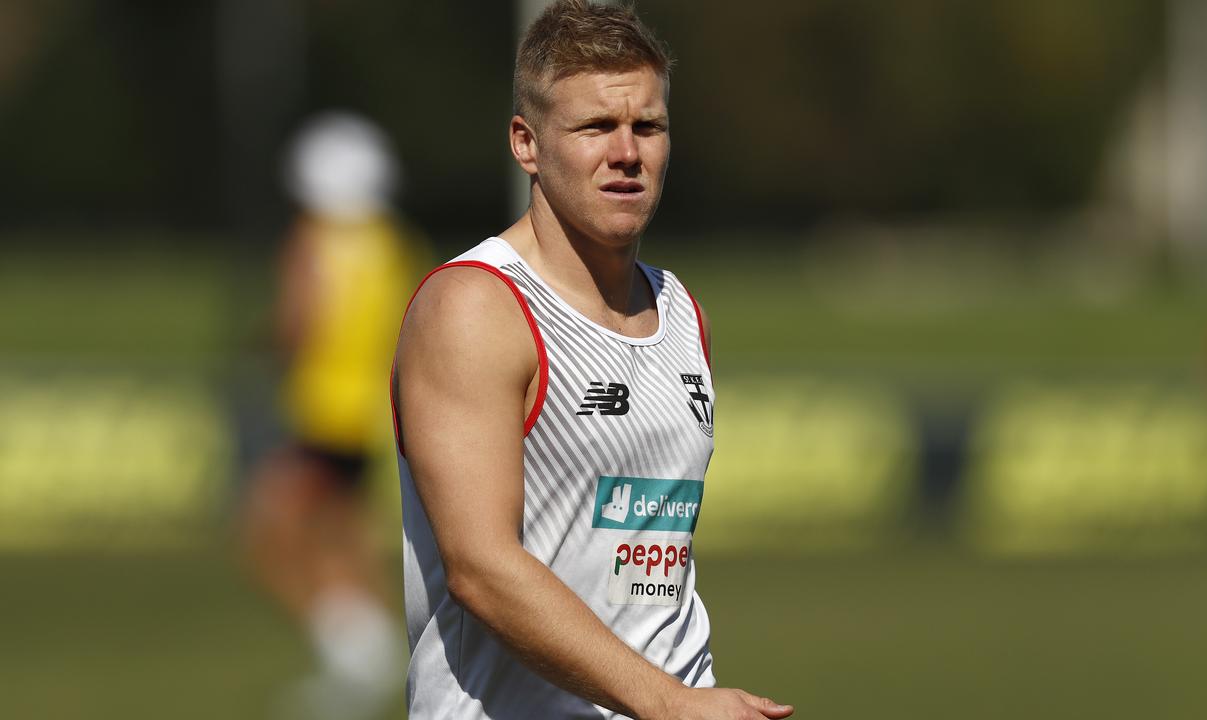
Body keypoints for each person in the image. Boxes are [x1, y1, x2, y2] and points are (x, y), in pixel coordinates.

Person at [391, 2, 794, 719]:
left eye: (648, 126)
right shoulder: (476, 307)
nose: (627, 153)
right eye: (595, 127)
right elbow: (481, 569)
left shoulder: (679, 309)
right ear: (527, 143)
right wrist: (667, 703)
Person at [242, 111, 421, 720]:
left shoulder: (312, 241)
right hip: (372, 418)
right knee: (341, 537)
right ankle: (366, 655)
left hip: (320, 415)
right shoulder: (393, 243)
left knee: (267, 531)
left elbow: (298, 323)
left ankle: (357, 655)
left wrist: (265, 346)